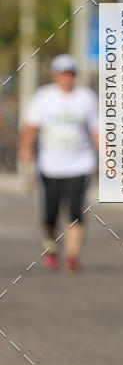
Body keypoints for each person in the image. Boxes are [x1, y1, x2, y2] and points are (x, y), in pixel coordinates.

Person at [18, 54, 99, 273]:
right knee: (50, 213)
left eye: (71, 73)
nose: (67, 78)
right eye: (63, 73)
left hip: (80, 164)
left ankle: (72, 257)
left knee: (75, 210)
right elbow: (30, 128)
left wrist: (107, 156)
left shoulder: (86, 98)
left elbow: (96, 131)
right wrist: (26, 151)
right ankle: (50, 243)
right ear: (55, 75)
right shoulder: (43, 97)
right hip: (50, 165)